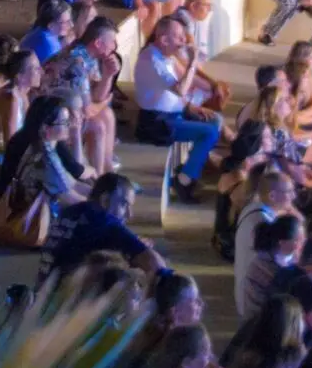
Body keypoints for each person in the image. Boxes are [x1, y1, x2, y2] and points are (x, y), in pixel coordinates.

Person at [133, 16, 222, 202]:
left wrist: (191, 105)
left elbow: (178, 93)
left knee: (215, 120)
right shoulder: (152, 60)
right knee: (209, 132)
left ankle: (189, 170)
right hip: (157, 123)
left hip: (175, 113)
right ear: (164, 40)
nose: (184, 41)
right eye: (179, 37)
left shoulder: (165, 56)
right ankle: (184, 180)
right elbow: (180, 89)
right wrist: (191, 63)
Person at [38, 172, 163, 288]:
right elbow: (155, 264)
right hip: (65, 303)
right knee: (128, 280)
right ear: (105, 200)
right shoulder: (103, 221)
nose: (129, 214)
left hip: (43, 294)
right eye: (124, 205)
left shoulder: (68, 212)